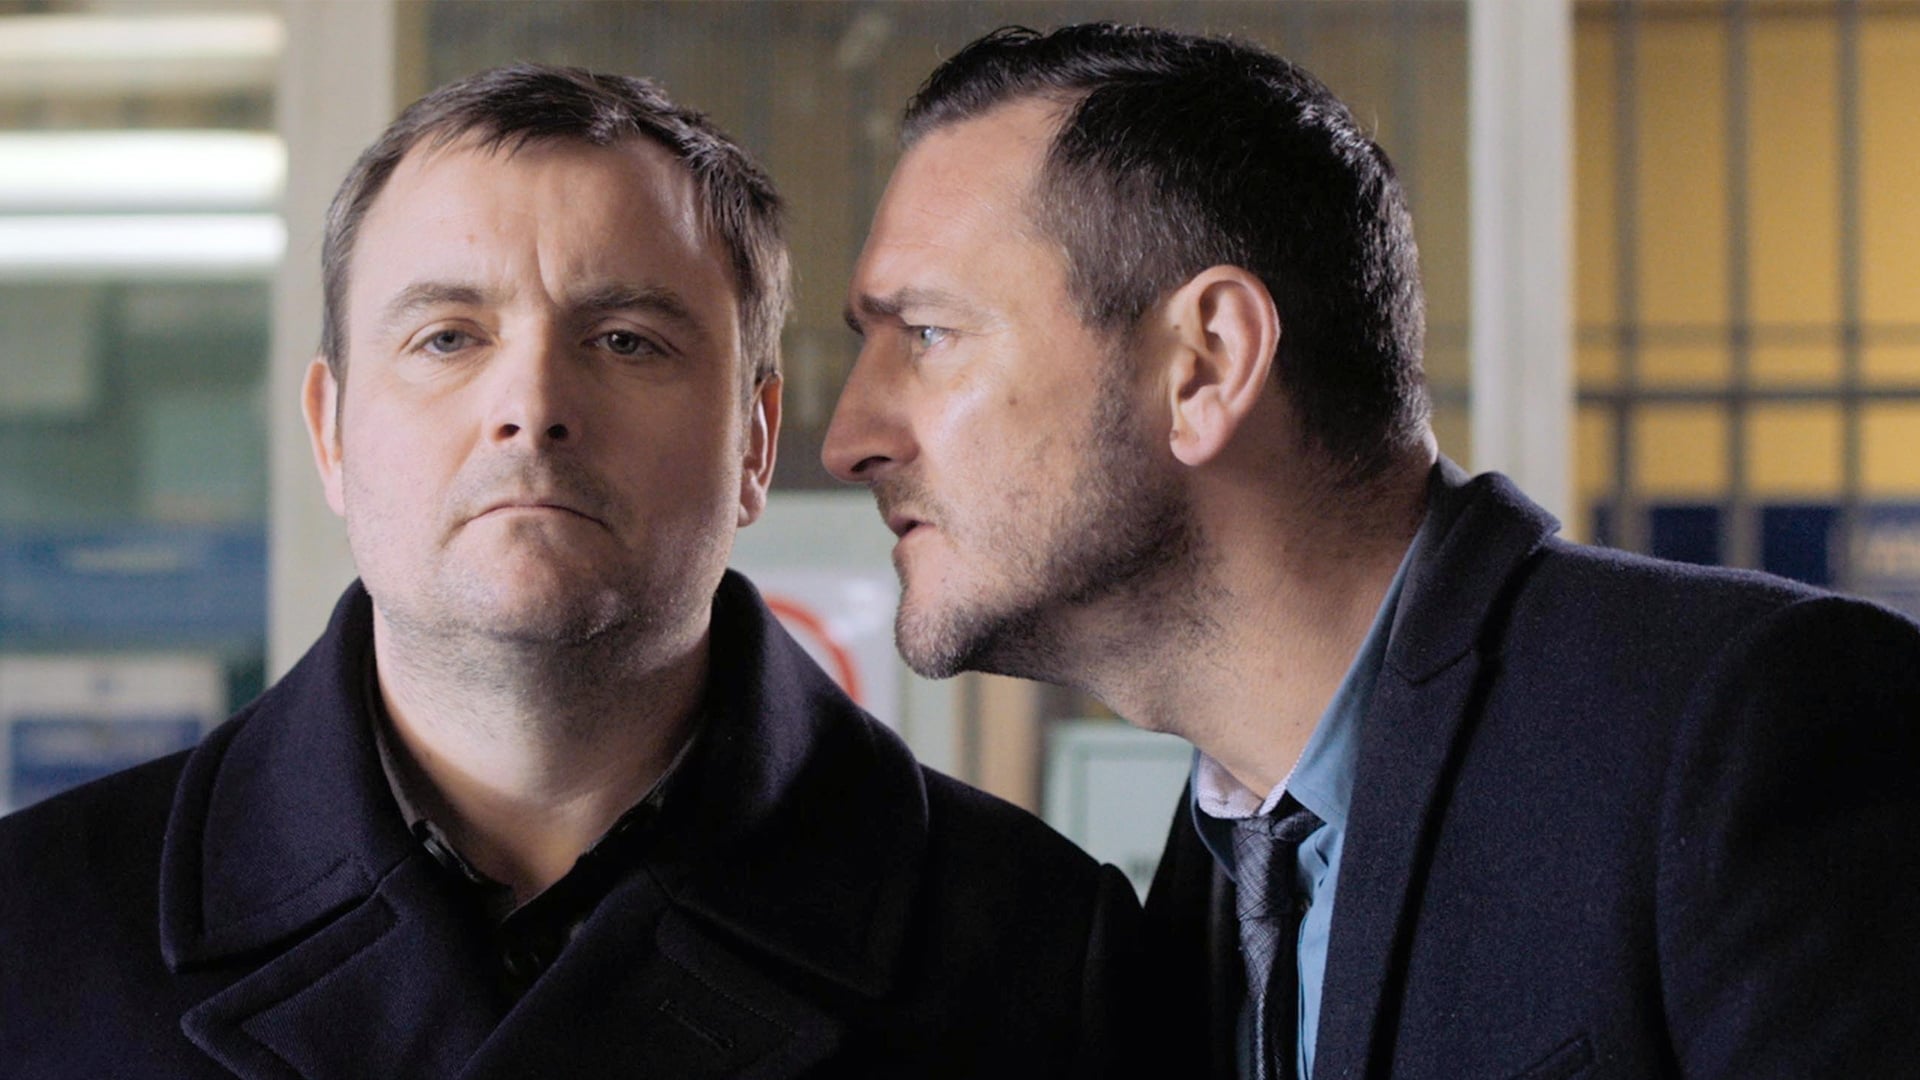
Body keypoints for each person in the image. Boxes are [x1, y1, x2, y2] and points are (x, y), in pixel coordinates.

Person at [0, 63, 1146, 1079]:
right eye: (448, 337)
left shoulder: (1043, 952)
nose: (533, 406)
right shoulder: (33, 926)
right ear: (331, 434)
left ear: (753, 444)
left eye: (626, 341)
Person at [824, 22, 1920, 1080]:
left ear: (1207, 364)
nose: (848, 440)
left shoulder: (1744, 729)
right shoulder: (1212, 881)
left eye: (928, 334)